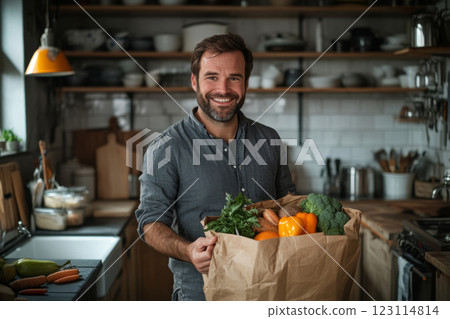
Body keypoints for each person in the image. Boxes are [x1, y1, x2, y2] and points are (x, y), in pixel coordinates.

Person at [135, 33, 296, 301]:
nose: (223, 89)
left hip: (269, 289)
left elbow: (288, 201)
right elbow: (150, 222)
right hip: (202, 295)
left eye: (234, 77)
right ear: (194, 81)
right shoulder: (167, 147)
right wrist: (188, 251)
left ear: (246, 82)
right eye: (212, 77)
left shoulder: (269, 139)